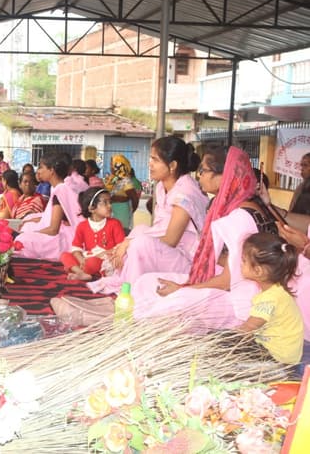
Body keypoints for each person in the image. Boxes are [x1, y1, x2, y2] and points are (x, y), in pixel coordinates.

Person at [131, 146, 296, 331]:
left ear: (224, 176)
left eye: (203, 170)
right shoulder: (233, 206)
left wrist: (182, 289)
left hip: (239, 301)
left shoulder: (240, 217)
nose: (199, 175)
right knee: (147, 283)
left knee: (175, 302)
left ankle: (139, 335)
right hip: (222, 282)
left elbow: (228, 281)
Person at [88, 137, 208, 294]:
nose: (149, 164)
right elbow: (158, 229)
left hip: (188, 261)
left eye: (155, 160)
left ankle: (131, 292)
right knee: (140, 230)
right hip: (170, 254)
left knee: (140, 242)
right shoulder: (161, 187)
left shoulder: (185, 193)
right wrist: (128, 241)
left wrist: (129, 243)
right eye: (150, 158)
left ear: (172, 165)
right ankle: (126, 281)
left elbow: (171, 240)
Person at [235, 233, 303, 365]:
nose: (241, 264)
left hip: (278, 357)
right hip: (285, 352)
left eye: (244, 261)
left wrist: (223, 339)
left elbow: (249, 328)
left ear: (258, 271)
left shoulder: (269, 299)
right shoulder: (277, 289)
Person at [14, 153, 82, 261]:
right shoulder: (56, 188)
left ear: (51, 170)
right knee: (28, 223)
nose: (38, 171)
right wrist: (32, 222)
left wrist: (30, 234)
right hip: (58, 231)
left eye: (41, 167)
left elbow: (53, 229)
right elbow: (49, 215)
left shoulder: (60, 190)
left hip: (61, 239)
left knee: (22, 240)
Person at [60, 187, 125, 281]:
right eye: (105, 202)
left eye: (110, 202)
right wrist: (81, 260)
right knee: (64, 255)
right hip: (87, 258)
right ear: (91, 208)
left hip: (105, 259)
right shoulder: (82, 226)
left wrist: (103, 253)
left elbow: (121, 246)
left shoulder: (115, 223)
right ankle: (81, 273)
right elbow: (76, 248)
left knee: (92, 262)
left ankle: (80, 271)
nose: (110, 206)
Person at [104, 154, 139, 231]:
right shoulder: (112, 179)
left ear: (118, 165)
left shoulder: (125, 181)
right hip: (111, 210)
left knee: (120, 232)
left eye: (112, 164)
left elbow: (135, 199)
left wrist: (130, 211)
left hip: (121, 211)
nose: (110, 167)